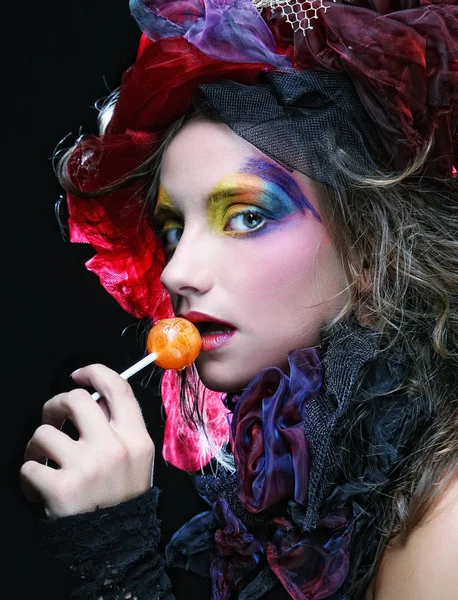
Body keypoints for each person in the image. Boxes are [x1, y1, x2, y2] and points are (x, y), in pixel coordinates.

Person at [20, 1, 457, 599]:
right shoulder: (295, 483)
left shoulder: (444, 506)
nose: (177, 270)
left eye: (247, 216)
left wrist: (113, 554)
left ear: (369, 250)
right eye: (172, 229)